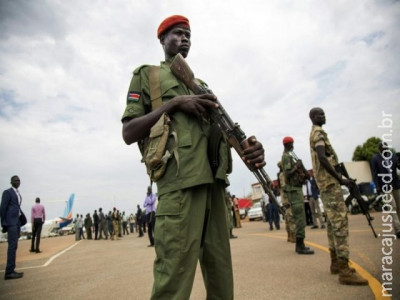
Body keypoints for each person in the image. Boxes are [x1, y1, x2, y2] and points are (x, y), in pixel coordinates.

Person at [121, 15, 266, 299]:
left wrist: (248, 146)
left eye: (189, 35)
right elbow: (129, 132)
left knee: (221, 278)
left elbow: (219, 132)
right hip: (179, 189)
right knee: (173, 281)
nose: (185, 38)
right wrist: (175, 103)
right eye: (178, 33)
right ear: (162, 39)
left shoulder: (201, 84)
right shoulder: (148, 75)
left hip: (215, 187)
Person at [309, 107, 367, 285]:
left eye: (324, 114)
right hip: (330, 184)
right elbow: (323, 158)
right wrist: (340, 179)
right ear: (313, 118)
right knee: (340, 223)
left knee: (333, 224)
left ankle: (335, 263)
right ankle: (344, 270)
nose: (324, 116)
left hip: (326, 184)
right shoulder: (318, 133)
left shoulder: (315, 133)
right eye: (320, 114)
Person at [281, 136, 314, 255]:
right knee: (299, 218)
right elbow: (287, 174)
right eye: (291, 144)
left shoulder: (290, 155)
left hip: (297, 189)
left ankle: (301, 244)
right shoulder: (286, 157)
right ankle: (300, 245)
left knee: (301, 218)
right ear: (287, 145)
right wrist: (297, 166)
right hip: (293, 191)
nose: (293, 146)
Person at [371, 141, 400, 238]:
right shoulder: (375, 158)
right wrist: (378, 187)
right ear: (379, 149)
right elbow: (375, 174)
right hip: (385, 187)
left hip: (395, 185)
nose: (385, 149)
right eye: (383, 147)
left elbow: (398, 167)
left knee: (399, 207)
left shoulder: (393, 157)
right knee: (393, 207)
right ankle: (398, 229)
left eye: (386, 147)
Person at [0, 175, 24, 280]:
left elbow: (17, 207)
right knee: (12, 246)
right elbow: (2, 208)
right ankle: (9, 272)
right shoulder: (7, 192)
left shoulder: (17, 193)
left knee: (14, 246)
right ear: (11, 182)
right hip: (11, 222)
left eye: (19, 180)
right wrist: (4, 223)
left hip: (17, 222)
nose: (17, 182)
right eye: (15, 180)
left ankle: (12, 269)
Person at [277, 161, 295, 243]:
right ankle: (293, 236)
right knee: (290, 217)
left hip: (285, 199)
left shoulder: (280, 175)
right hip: (287, 199)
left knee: (288, 218)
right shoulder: (282, 175)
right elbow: (284, 187)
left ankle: (290, 235)